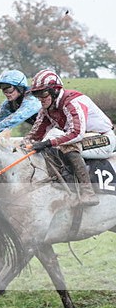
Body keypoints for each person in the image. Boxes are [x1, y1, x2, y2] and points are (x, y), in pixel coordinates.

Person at [25, 69, 114, 207]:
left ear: (54, 91)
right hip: (84, 138)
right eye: (36, 94)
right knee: (52, 144)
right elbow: (34, 136)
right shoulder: (46, 109)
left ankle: (88, 193)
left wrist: (49, 143)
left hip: (103, 138)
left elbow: (76, 133)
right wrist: (22, 147)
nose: (40, 99)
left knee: (66, 145)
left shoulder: (72, 102)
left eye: (43, 93)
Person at [0, 70, 41, 134]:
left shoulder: (32, 98)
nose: (6, 93)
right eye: (3, 89)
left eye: (9, 89)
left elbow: (19, 116)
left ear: (19, 87)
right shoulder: (10, 103)